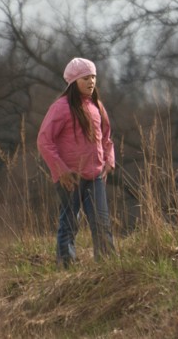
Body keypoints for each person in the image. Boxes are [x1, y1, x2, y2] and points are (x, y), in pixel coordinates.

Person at [37, 57, 116, 268]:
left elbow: (107, 136)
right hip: (70, 177)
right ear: (73, 82)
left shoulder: (97, 106)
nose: (91, 82)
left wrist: (109, 160)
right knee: (70, 223)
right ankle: (66, 267)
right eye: (85, 78)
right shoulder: (61, 108)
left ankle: (109, 268)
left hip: (95, 176)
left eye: (93, 77)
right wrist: (61, 170)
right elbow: (44, 141)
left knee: (101, 223)